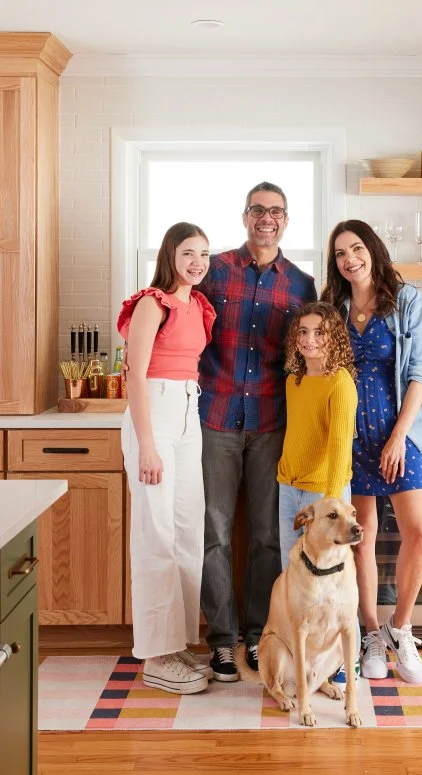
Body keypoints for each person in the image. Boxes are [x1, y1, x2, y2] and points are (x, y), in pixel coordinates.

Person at [199, 182, 317, 681]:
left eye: (276, 212)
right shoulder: (215, 270)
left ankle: (258, 634)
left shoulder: (302, 285)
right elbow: (186, 331)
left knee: (268, 537)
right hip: (216, 418)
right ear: (245, 216)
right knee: (215, 534)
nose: (266, 218)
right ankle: (222, 641)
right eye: (257, 210)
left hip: (274, 423)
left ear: (286, 221)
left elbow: (311, 351)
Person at [321, 219, 422, 685]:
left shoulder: (407, 301)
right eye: (341, 253)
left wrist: (397, 437)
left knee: (419, 532)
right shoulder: (334, 307)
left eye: (357, 248)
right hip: (349, 439)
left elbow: (420, 373)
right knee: (360, 537)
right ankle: (369, 634)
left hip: (397, 435)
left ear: (373, 249)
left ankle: (400, 628)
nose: (350, 259)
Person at [117, 222, 216, 694]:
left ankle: (177, 643)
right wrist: (147, 444)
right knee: (156, 533)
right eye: (188, 253)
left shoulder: (196, 304)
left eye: (204, 254)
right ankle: (155, 657)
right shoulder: (150, 303)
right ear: (170, 256)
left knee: (187, 530)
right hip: (152, 414)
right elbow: (134, 376)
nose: (197, 261)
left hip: (187, 412)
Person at [277, 300, 358, 568]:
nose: (308, 338)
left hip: (324, 493)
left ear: (333, 338)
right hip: (289, 488)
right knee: (292, 569)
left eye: (319, 332)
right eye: (302, 331)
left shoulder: (340, 383)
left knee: (328, 572)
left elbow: (340, 446)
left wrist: (331, 504)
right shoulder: (294, 381)